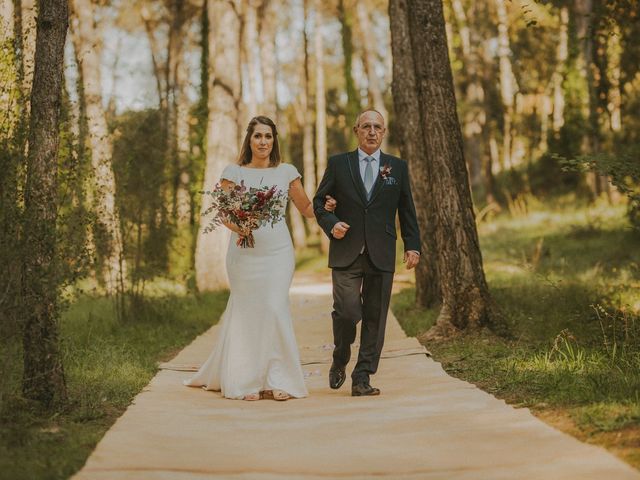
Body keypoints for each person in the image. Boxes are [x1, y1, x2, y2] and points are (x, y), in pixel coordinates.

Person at [185, 116, 335, 401]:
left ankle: (279, 379)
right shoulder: (233, 172)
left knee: (274, 308)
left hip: (278, 253)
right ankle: (246, 380)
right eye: (258, 136)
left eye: (268, 136)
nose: (263, 142)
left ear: (274, 140)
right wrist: (242, 227)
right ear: (249, 140)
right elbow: (224, 214)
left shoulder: (286, 171)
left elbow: (306, 208)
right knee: (248, 312)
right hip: (243, 255)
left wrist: (327, 205)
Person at [313, 109, 421, 397]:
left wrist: (412, 244)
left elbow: (406, 209)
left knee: (375, 318)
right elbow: (319, 202)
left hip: (382, 251)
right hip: (346, 250)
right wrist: (331, 224)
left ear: (384, 132)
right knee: (348, 312)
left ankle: (362, 377)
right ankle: (340, 356)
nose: (372, 132)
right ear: (356, 130)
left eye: (377, 127)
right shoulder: (339, 164)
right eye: (366, 127)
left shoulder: (396, 167)